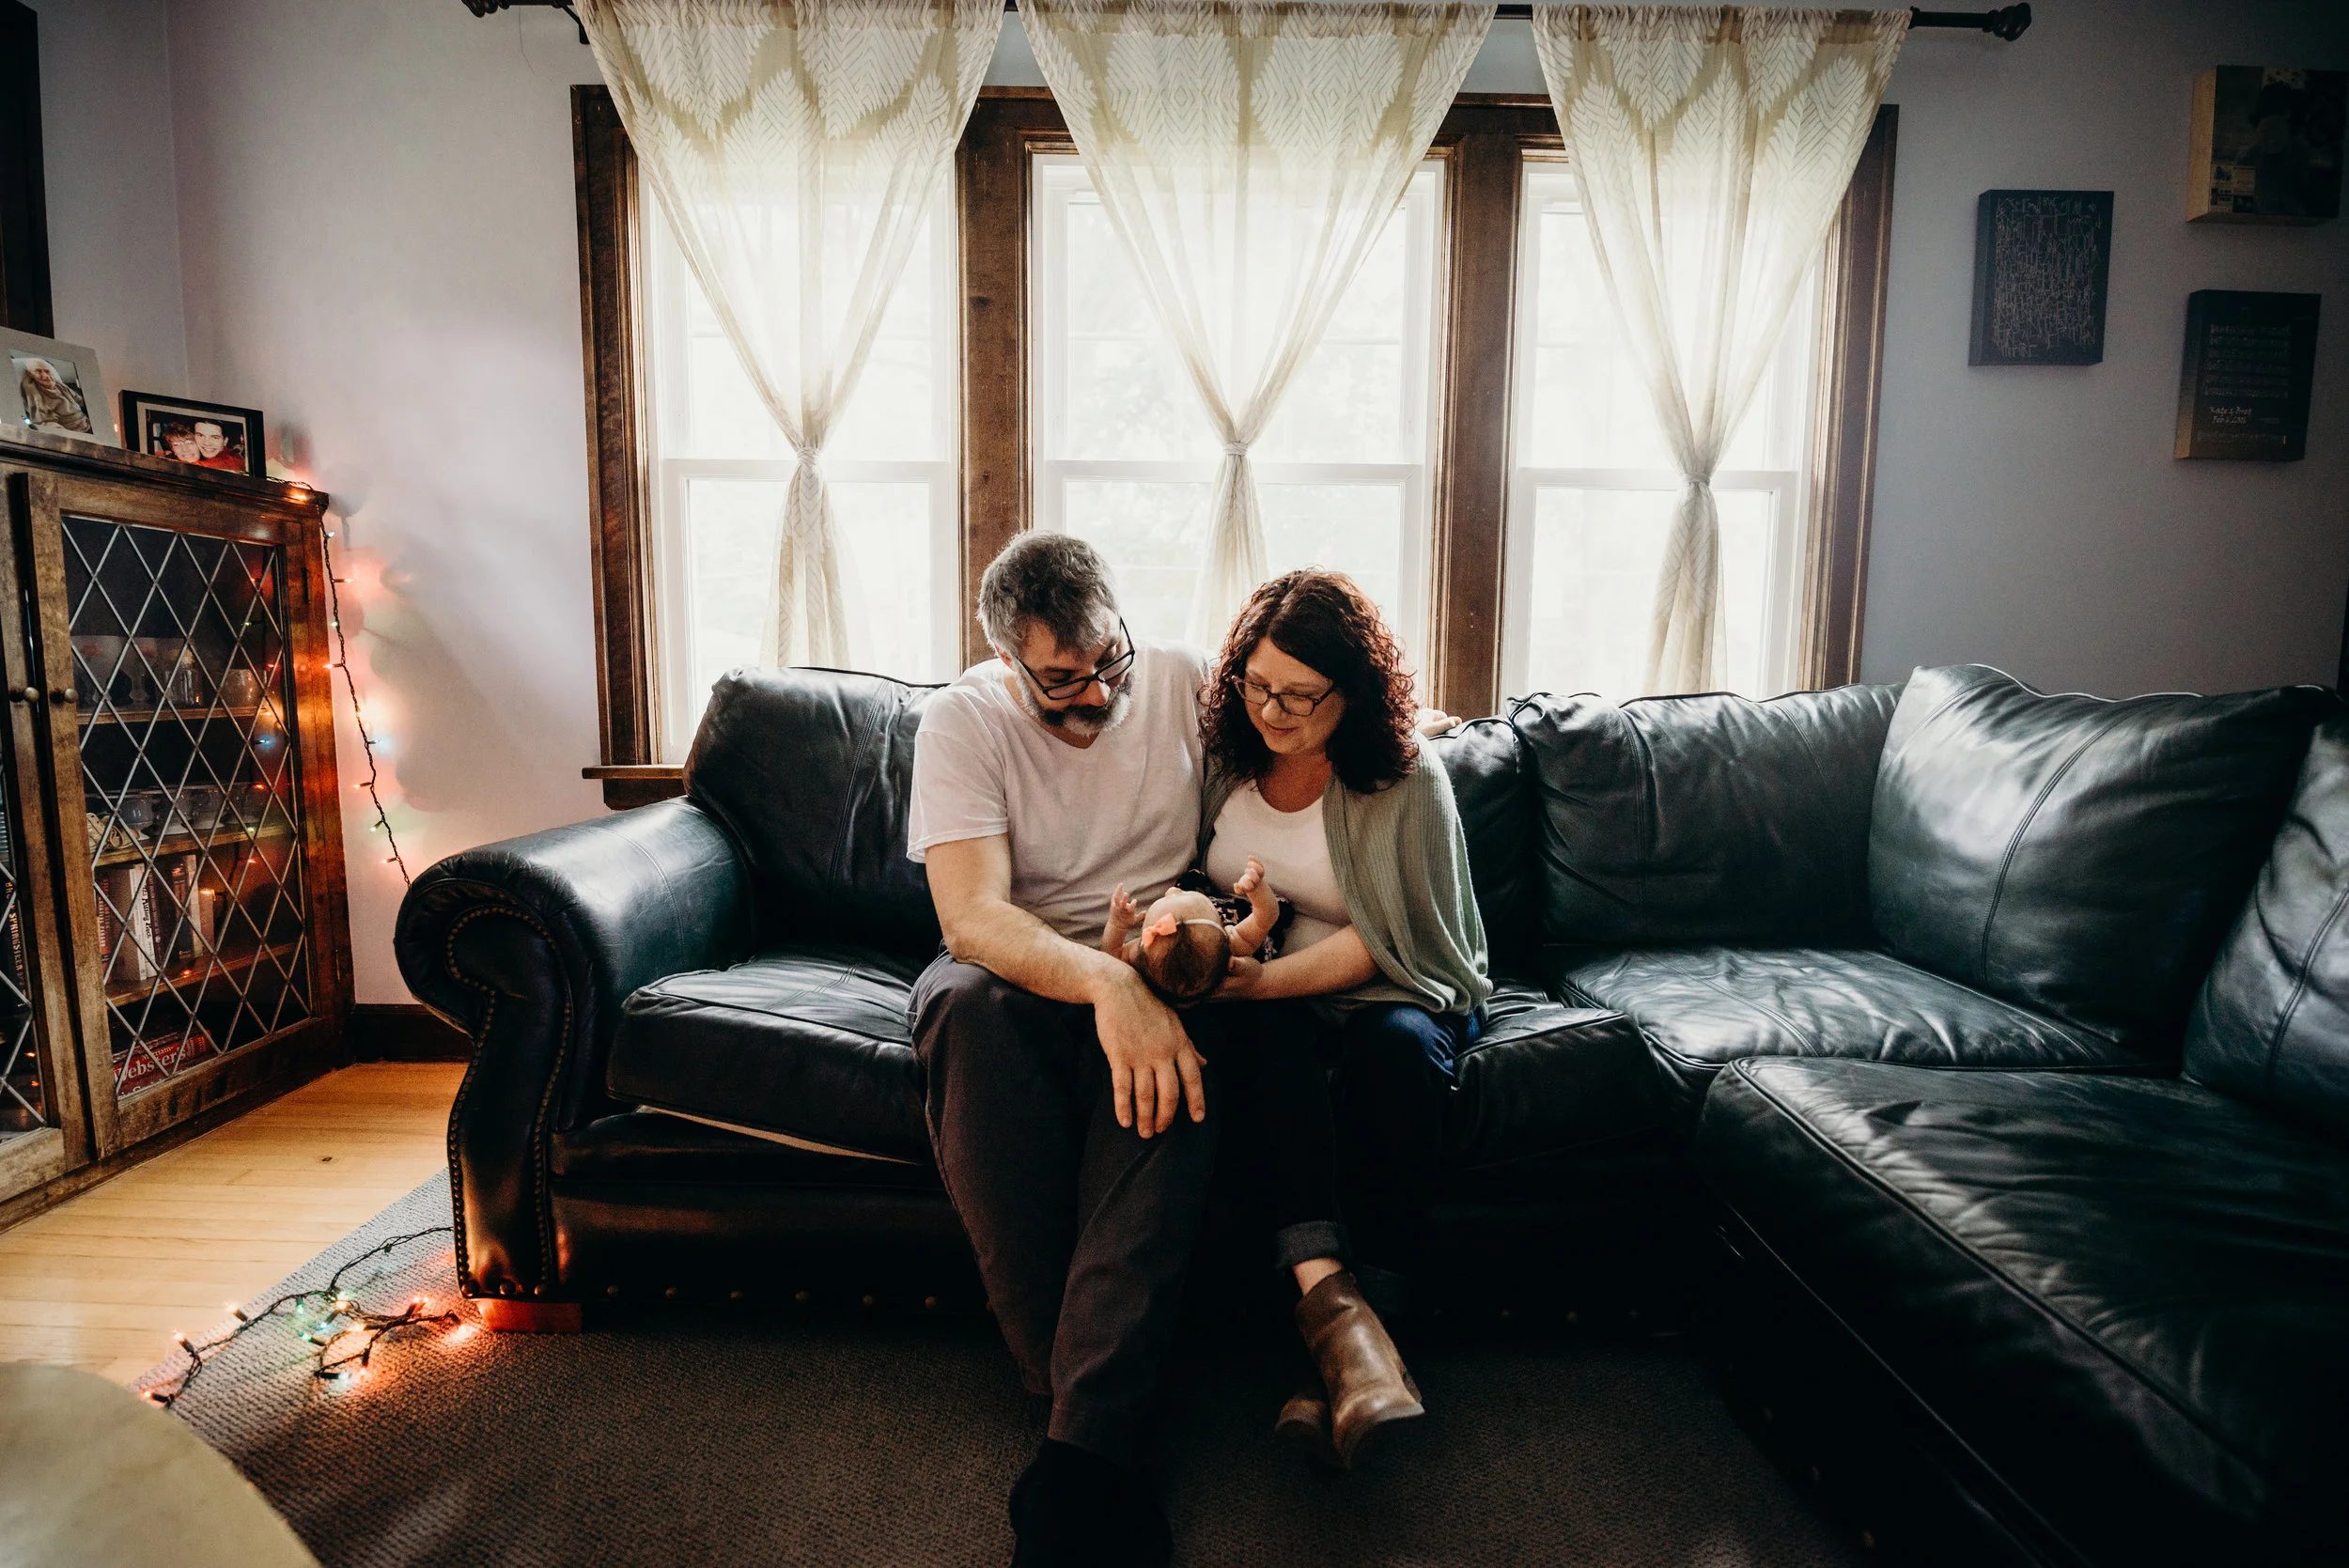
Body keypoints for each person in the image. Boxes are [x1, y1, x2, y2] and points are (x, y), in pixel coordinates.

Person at [906, 533, 1216, 1568]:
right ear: (1006, 660)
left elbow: (1289, 761)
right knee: (959, 1007)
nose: (1097, 692)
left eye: (1107, 659)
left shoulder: (1182, 679)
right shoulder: (962, 719)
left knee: (1185, 1046)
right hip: (1017, 971)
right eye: (1061, 679)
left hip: (1157, 957)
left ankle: (1075, 1457)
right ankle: (1098, 1429)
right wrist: (1102, 984)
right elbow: (971, 919)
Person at [1199, 568, 1492, 1469]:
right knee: (1262, 1043)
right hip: (1274, 993)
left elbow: (1390, 938)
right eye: (1256, 683)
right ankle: (1350, 1350)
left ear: (1352, 691)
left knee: (1393, 1053)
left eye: (1298, 695)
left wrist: (1261, 983)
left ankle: (1343, 1350)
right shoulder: (1228, 759)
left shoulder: (1403, 777)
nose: (1270, 710)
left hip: (1394, 987)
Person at [1099, 857, 1281, 1004]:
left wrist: (1117, 924)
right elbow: (1267, 916)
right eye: (1183, 893)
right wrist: (1256, 889)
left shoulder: (1141, 957)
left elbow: (1111, 955)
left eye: (1165, 898)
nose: (1172, 890)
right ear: (1222, 931)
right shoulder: (1231, 945)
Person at [16, 358, 92, 434]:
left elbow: (79, 400)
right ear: (30, 374)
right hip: (75, 432)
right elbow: (43, 423)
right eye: (38, 371)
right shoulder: (33, 392)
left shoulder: (59, 385)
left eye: (47, 371)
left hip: (88, 424)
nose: (44, 375)